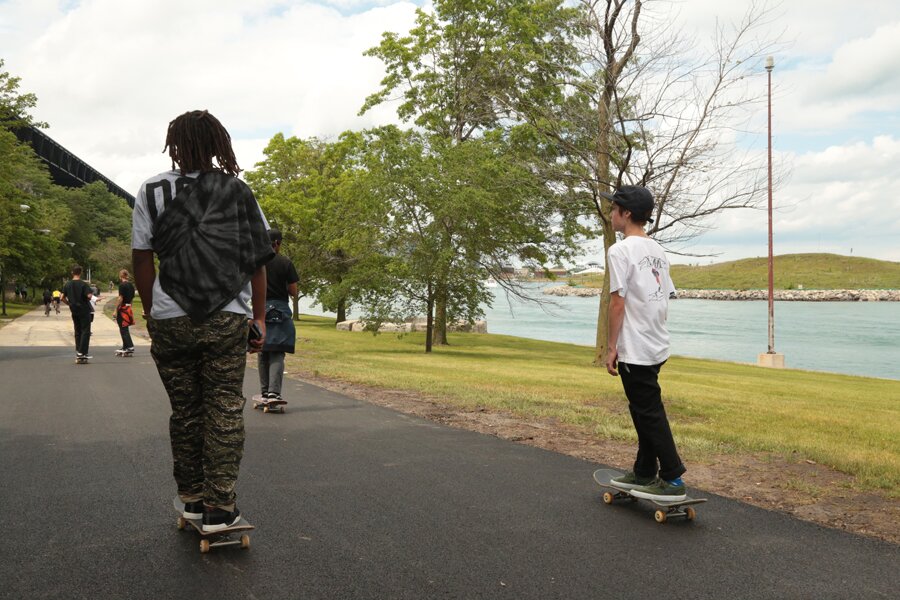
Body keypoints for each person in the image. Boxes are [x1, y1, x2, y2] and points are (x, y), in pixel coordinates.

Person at [132, 109, 273, 533]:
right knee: (225, 407)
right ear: (218, 144)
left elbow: (142, 258)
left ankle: (192, 498)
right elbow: (257, 260)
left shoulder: (152, 189)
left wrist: (153, 311)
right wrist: (260, 317)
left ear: (174, 145)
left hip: (171, 316)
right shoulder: (237, 191)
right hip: (227, 315)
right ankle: (220, 506)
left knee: (186, 411)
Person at [602, 185, 686, 501]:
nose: (610, 214)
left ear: (626, 214)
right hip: (657, 342)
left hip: (635, 347)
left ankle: (673, 478)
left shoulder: (620, 250)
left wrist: (612, 347)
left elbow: (617, 303)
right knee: (643, 409)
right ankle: (643, 471)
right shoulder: (658, 250)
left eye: (614, 209)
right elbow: (664, 295)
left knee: (648, 412)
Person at [257, 229, 299, 404]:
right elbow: (293, 291)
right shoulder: (285, 262)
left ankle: (265, 392)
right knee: (277, 351)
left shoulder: (257, 262)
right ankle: (274, 393)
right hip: (280, 309)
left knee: (262, 350)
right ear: (277, 243)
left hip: (260, 308)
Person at [61, 265, 93, 360]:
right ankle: (83, 352)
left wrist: (69, 304)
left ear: (72, 272)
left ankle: (78, 350)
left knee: (77, 330)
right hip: (84, 309)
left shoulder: (67, 284)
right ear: (81, 272)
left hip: (74, 309)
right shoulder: (83, 284)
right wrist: (95, 298)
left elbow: (62, 297)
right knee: (85, 331)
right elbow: (89, 296)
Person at [115, 269, 136, 354]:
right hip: (128, 307)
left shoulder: (122, 285)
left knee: (123, 328)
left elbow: (120, 298)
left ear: (121, 276)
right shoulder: (131, 286)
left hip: (123, 308)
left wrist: (115, 310)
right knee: (125, 327)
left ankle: (130, 346)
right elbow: (132, 299)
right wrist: (130, 307)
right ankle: (125, 346)